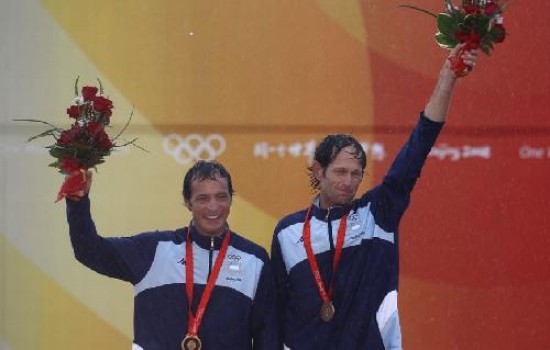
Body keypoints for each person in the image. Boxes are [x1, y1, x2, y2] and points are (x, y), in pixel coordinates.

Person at [270, 47, 478, 349]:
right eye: (340, 172)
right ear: (319, 171)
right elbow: (275, 311)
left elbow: (420, 144)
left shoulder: (378, 213)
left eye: (356, 174)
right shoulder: (287, 231)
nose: (348, 182)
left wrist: (447, 79)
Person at [65, 160, 279, 350]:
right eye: (203, 198)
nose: (213, 207)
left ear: (231, 199)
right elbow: (90, 251)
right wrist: (77, 204)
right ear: (188, 202)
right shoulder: (154, 250)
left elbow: (267, 338)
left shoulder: (254, 260)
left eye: (221, 197)